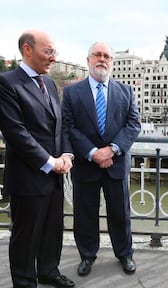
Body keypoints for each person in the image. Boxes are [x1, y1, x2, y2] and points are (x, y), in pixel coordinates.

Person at [0, 30, 75, 287]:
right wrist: (50, 162)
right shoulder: (7, 83)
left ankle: (48, 271)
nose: (53, 57)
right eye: (48, 51)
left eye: (54, 51)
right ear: (27, 50)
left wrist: (66, 154)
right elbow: (15, 132)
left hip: (54, 176)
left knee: (52, 231)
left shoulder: (50, 84)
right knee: (25, 237)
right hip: (28, 178)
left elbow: (59, 125)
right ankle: (24, 282)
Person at [61, 42, 141, 276]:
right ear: (88, 60)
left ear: (112, 62)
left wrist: (112, 149)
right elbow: (69, 126)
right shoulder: (72, 92)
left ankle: (125, 254)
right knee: (85, 214)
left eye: (107, 56)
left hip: (115, 163)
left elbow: (133, 124)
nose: (102, 59)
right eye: (97, 54)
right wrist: (93, 152)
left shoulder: (126, 91)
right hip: (86, 165)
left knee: (121, 213)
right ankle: (87, 255)